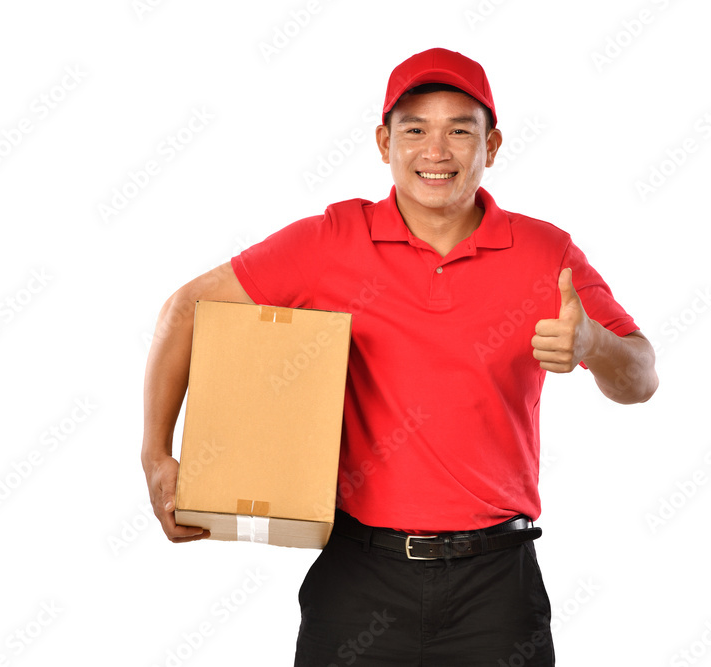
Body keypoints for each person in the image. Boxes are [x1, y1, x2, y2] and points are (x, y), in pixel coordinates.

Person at [141, 47, 658, 665]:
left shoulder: (546, 253)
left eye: (459, 130)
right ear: (384, 143)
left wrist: (591, 345)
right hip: (361, 578)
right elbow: (184, 311)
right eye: (415, 129)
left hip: (496, 587)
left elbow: (641, 378)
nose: (435, 151)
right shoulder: (330, 241)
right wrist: (156, 455)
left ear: (491, 147)